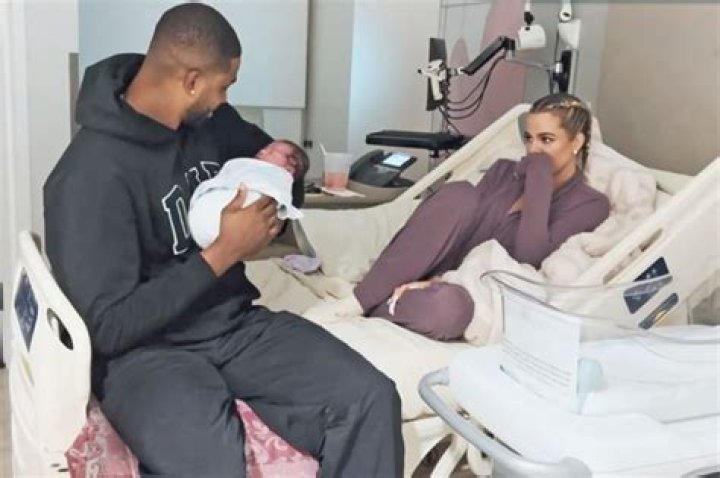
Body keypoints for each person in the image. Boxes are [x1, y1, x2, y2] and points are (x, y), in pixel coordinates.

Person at [43, 3, 403, 476]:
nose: (224, 98)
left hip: (234, 327)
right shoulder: (86, 177)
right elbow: (108, 327)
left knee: (370, 397)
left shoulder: (212, 123)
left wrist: (288, 170)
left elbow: (275, 166)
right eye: (224, 85)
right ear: (192, 81)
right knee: (208, 463)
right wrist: (222, 254)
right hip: (143, 356)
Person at [332, 93, 610, 341]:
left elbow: (528, 257)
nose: (533, 149)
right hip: (425, 259)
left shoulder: (590, 204)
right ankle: (360, 299)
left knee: (450, 310)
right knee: (460, 194)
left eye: (546, 139)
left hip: (461, 288)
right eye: (529, 138)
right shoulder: (505, 171)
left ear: (576, 141)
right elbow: (449, 226)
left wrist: (539, 180)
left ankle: (378, 302)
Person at [187, 139, 309, 249]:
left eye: (271, 151)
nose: (261, 151)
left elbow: (279, 198)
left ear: (290, 168)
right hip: (201, 225)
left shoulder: (279, 178)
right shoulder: (247, 165)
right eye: (265, 149)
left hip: (234, 225)